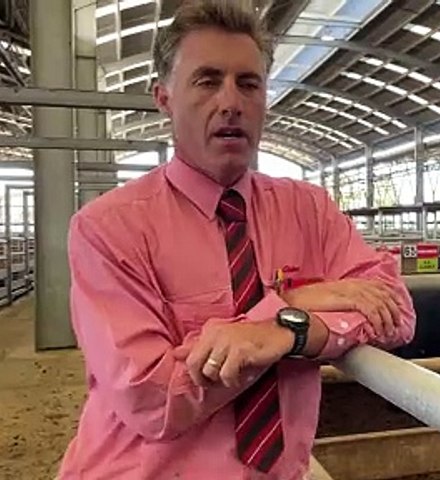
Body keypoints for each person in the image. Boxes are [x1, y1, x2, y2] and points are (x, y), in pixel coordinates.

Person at [57, 1, 416, 479]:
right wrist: (290, 302)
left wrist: (289, 329)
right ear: (163, 98)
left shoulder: (309, 209)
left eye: (248, 84)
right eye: (207, 81)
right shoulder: (107, 229)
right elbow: (154, 399)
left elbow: (395, 310)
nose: (231, 102)